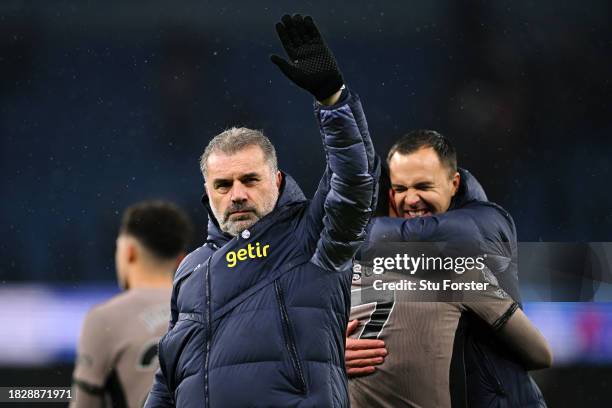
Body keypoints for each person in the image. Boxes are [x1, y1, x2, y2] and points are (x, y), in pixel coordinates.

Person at [145, 14, 379, 408]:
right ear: (208, 192)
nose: (237, 194)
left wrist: (333, 101)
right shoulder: (191, 269)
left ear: (277, 180)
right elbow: (168, 378)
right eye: (224, 185)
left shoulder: (313, 235)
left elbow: (355, 183)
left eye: (250, 180)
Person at [346, 130, 552, 407]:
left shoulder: (484, 224)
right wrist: (334, 354)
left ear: (454, 183)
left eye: (423, 186)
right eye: (401, 189)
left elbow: (541, 355)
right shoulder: (376, 271)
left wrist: (342, 238)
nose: (411, 199)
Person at [70, 200, 193, 408]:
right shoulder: (207, 309)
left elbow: (85, 403)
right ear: (182, 260)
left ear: (129, 252)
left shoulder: (105, 318)